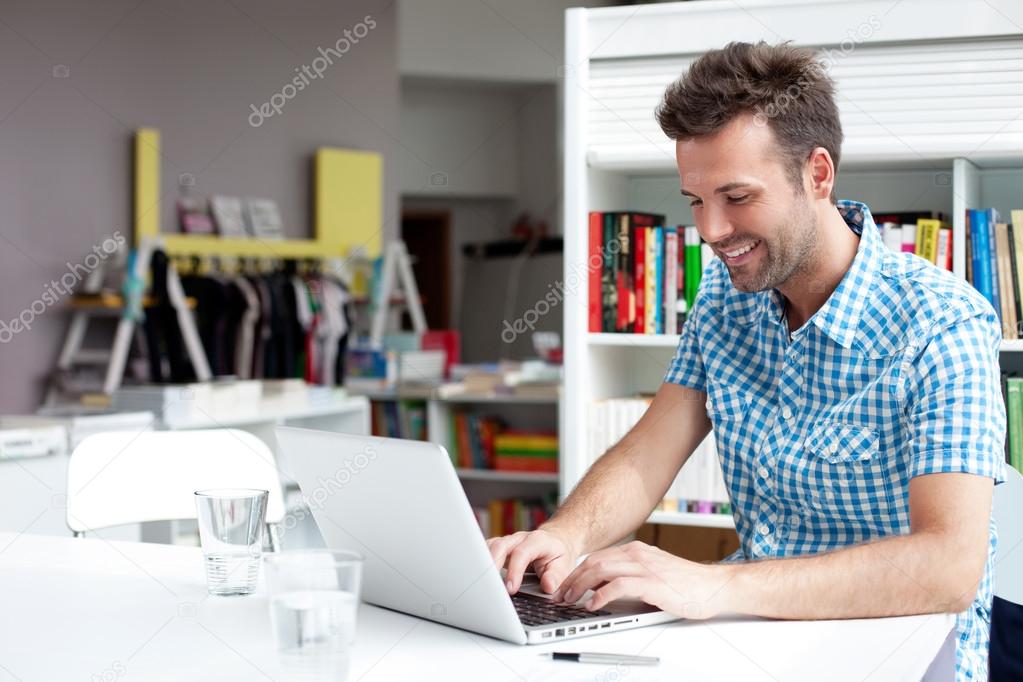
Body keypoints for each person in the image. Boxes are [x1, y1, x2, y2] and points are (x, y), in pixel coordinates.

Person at [488, 41, 1006, 680]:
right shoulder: (723, 300)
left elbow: (948, 567)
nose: (710, 230)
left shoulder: (941, 323)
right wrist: (562, 537)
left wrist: (713, 586)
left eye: (736, 197)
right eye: (695, 201)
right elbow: (649, 451)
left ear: (817, 174)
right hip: (754, 634)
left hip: (904, 641)